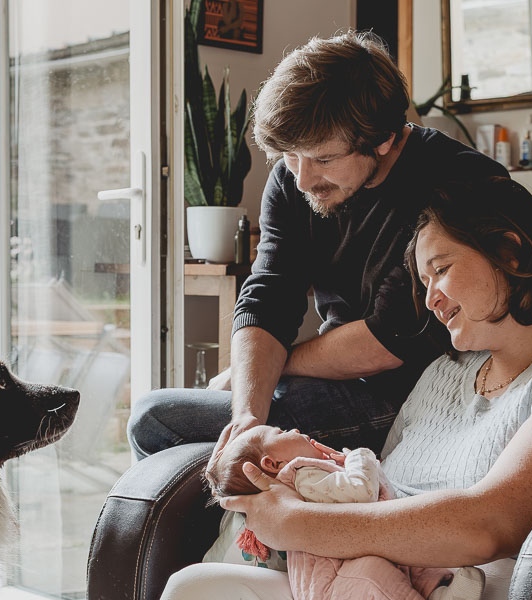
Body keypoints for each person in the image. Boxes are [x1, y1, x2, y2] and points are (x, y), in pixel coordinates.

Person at [141, 177, 532, 600]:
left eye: (441, 269)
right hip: (389, 598)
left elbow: (489, 524)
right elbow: (384, 492)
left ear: (510, 251)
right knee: (197, 596)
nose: (430, 297)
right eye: (423, 280)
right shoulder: (443, 373)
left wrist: (297, 522)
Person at [127, 29, 507, 462]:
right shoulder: (296, 181)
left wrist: (271, 364)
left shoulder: (458, 183)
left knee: (154, 419)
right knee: (221, 423)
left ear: (383, 139)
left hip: (416, 394)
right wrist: (248, 416)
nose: (303, 179)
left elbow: (388, 341)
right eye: (290, 155)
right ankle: (243, 526)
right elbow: (269, 291)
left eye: (324, 159)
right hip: (335, 379)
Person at [204, 424, 486, 600]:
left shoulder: (311, 477)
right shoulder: (302, 476)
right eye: (279, 433)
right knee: (373, 572)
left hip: (355, 594)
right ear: (273, 463)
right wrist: (359, 456)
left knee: (411, 563)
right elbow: (360, 492)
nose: (291, 430)